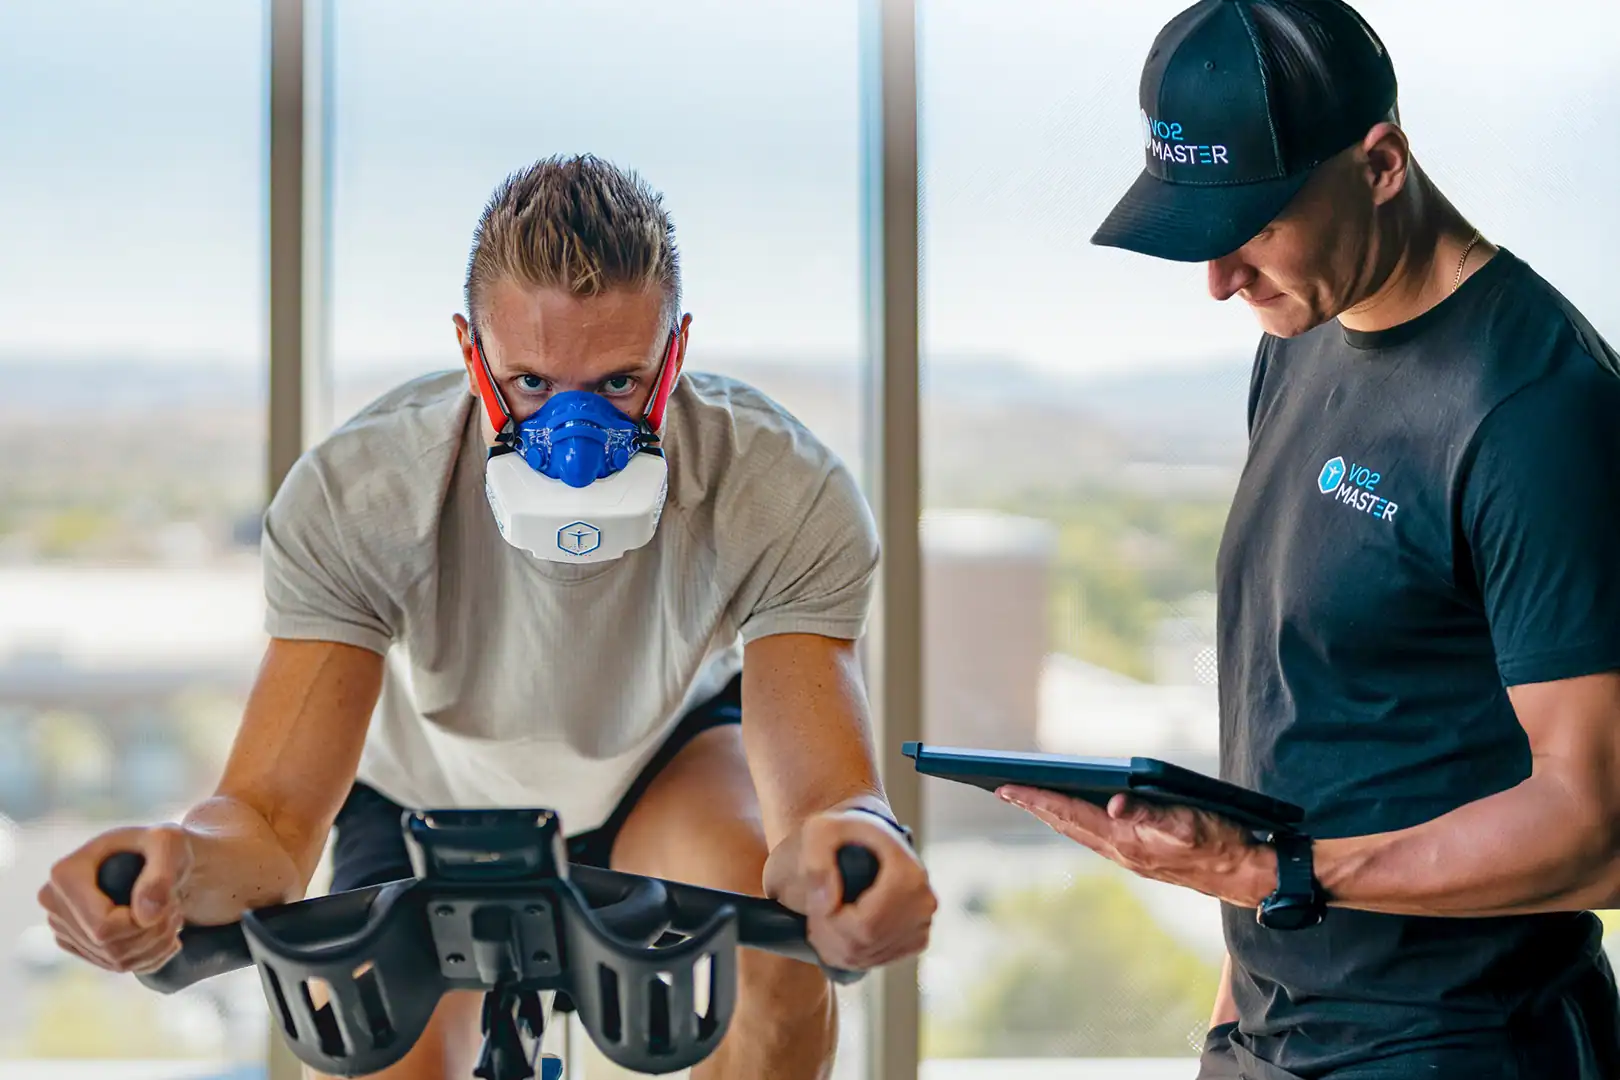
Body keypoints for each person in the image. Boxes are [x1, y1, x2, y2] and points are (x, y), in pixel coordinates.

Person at [38, 154, 937, 1080]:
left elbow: (819, 814)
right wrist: (172, 870)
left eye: (623, 382)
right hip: (428, 797)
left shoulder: (781, 487)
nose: (575, 441)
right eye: (534, 383)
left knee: (772, 966)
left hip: (662, 767)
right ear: (474, 355)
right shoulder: (362, 493)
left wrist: (857, 854)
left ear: (677, 353)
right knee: (365, 1052)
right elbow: (268, 827)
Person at [998, 1, 1620, 1077]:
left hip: (1461, 1049)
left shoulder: (1537, 408)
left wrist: (1275, 873)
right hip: (1270, 1042)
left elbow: (1600, 823)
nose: (1221, 278)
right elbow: (1301, 715)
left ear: (1382, 164)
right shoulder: (1300, 336)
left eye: (1256, 225)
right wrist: (1229, 1019)